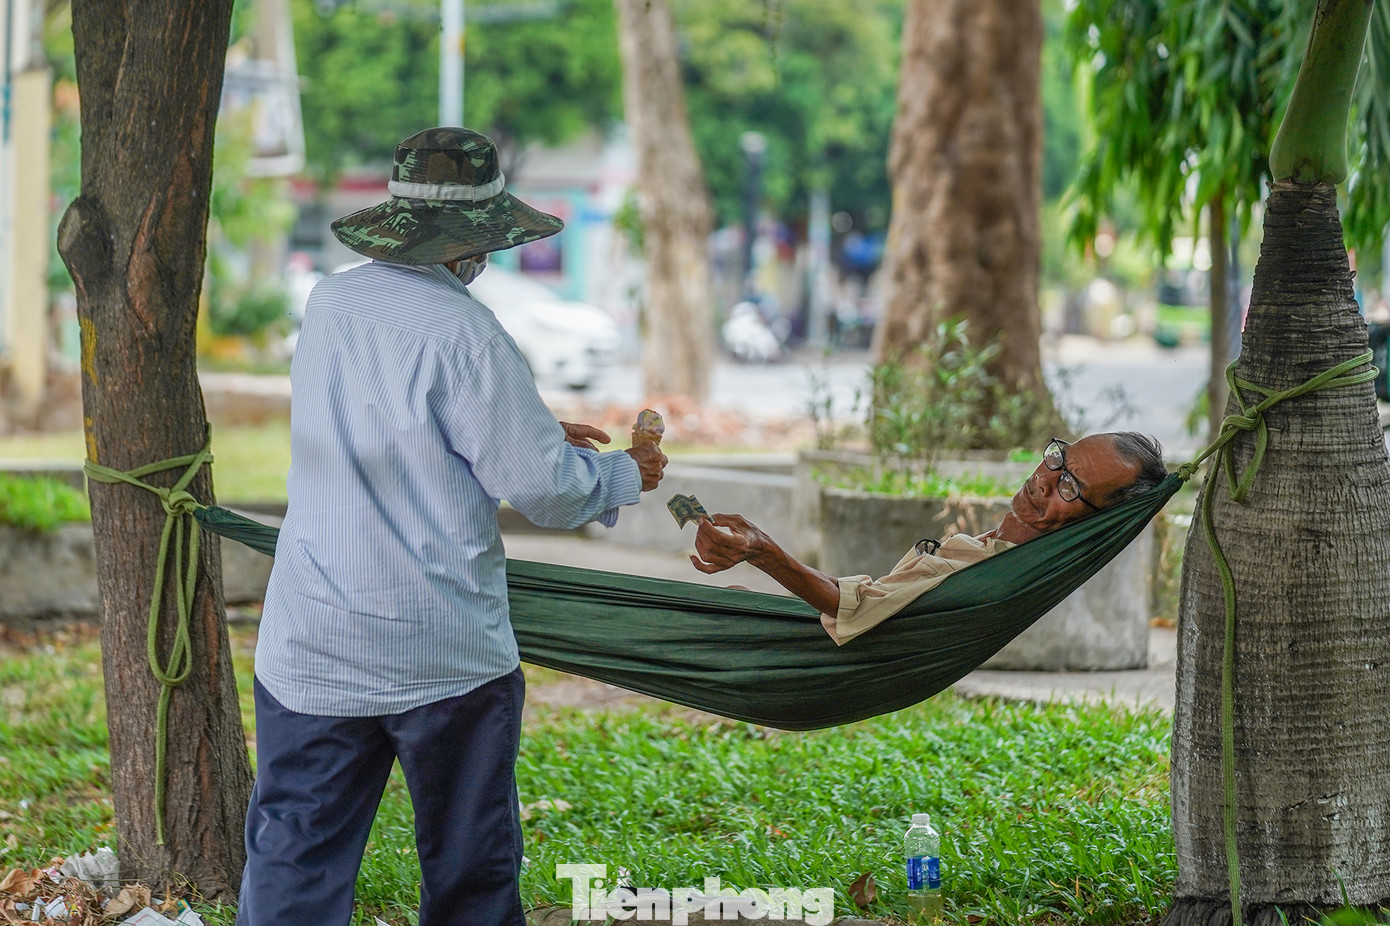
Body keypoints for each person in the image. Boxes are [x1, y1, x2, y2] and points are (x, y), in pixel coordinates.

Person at [237, 127, 668, 926]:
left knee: (294, 855)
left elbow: (386, 424)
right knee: (469, 869)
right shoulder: (468, 334)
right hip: (441, 650)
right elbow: (546, 491)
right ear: (473, 240)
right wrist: (625, 471)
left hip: (313, 637)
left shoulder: (329, 302)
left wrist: (528, 433)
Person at [690, 432, 1165, 645]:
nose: (1044, 479)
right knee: (723, 605)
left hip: (813, 663)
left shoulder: (989, 576)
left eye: (1070, 487)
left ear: (1096, 523)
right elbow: (872, 601)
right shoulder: (994, 551)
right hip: (811, 640)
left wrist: (763, 551)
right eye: (1058, 458)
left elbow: (856, 608)